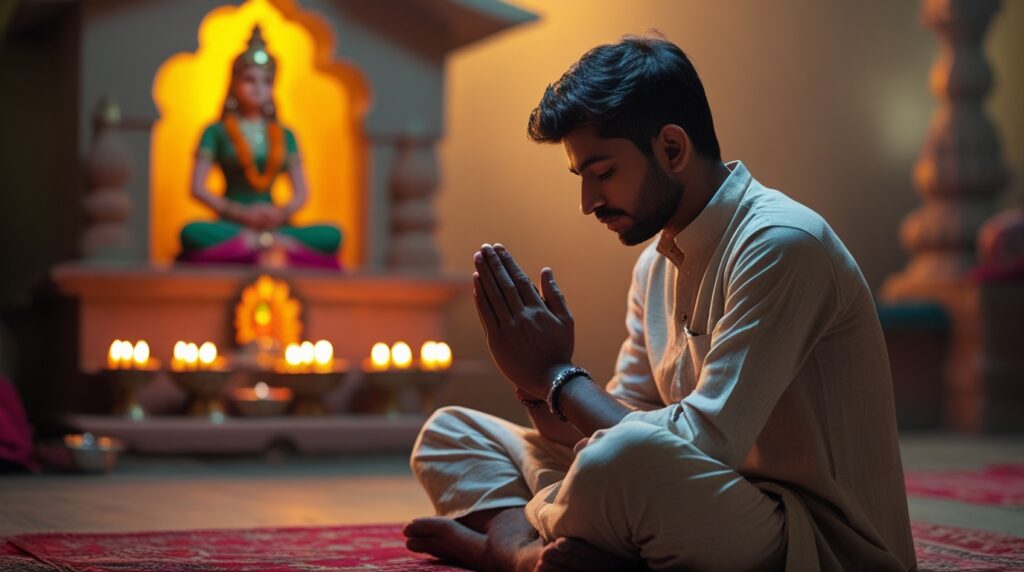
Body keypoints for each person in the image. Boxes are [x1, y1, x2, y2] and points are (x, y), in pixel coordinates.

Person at [404, 34, 917, 572]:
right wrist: (541, 392)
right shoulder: (655, 262)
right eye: (582, 178)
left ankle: (510, 547)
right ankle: (560, 550)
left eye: (603, 173)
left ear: (672, 149)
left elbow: (703, 444)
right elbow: (627, 415)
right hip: (694, 496)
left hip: (810, 535)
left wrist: (560, 375)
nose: (588, 202)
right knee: (450, 432)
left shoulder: (781, 243)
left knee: (617, 463)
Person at [178, 26, 343, 270]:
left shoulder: (285, 135)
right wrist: (239, 213)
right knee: (192, 233)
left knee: (332, 235)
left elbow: (302, 194)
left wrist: (280, 213)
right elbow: (197, 188)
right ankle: (265, 243)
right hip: (232, 222)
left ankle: (266, 241)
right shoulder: (216, 132)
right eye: (249, 80)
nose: (258, 88)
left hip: (275, 222)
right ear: (234, 84)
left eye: (267, 82)